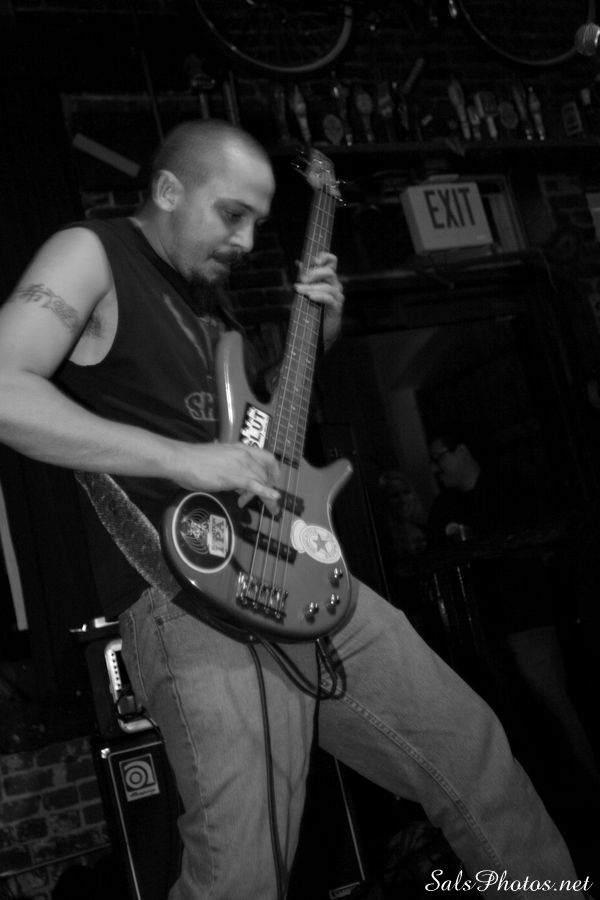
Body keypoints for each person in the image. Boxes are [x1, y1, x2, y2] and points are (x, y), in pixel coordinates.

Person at [0, 119, 591, 900]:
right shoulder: (92, 253)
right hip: (190, 602)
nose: (246, 240)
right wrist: (180, 459)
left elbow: (263, 446)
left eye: (257, 220)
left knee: (474, 756)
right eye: (231, 214)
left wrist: (320, 337)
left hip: (305, 578)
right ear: (169, 189)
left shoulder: (211, 313)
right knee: (243, 873)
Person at [426, 425, 600, 824]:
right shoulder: (445, 507)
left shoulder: (510, 487)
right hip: (482, 633)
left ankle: (591, 796)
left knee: (555, 708)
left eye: (440, 457)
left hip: (527, 620)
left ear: (463, 449)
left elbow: (545, 546)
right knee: (513, 723)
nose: (437, 468)